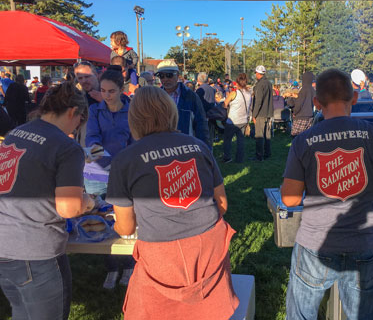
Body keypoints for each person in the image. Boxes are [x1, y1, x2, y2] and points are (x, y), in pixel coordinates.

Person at [281, 69, 373, 320]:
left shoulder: (304, 141)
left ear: (316, 102)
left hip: (315, 246)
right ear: (354, 98)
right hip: (362, 245)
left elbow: (289, 200)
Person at [105, 86, 239, 320]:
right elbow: (222, 205)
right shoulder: (199, 147)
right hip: (210, 251)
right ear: (171, 112)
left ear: (134, 118)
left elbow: (125, 228)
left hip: (161, 259)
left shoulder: (125, 160)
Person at [0, 82, 94, 320]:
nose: (77, 127)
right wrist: (90, 202)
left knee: (21, 312)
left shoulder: (16, 133)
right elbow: (69, 207)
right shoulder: (66, 147)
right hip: (36, 251)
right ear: (73, 112)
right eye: (80, 120)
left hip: (5, 245)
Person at [85, 69, 135, 289]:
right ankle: (112, 266)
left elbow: (137, 140)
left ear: (121, 89)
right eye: (103, 90)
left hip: (126, 170)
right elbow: (92, 139)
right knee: (104, 219)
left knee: (128, 217)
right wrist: (107, 164)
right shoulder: (95, 110)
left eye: (111, 91)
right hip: (99, 171)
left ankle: (130, 264)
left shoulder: (133, 109)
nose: (106, 95)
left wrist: (124, 166)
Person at [155, 61, 209, 146]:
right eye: (161, 76)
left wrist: (204, 149)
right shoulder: (155, 97)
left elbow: (201, 125)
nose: (165, 79)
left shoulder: (191, 96)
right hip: (162, 146)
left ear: (177, 75)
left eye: (169, 75)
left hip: (185, 146)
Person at [223, 73, 252, 163]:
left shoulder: (233, 93)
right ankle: (239, 159)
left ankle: (227, 157)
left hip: (232, 121)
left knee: (227, 139)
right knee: (241, 140)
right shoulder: (249, 94)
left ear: (237, 83)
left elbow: (225, 104)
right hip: (243, 120)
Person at [252, 65, 274, 161]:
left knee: (259, 135)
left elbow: (258, 101)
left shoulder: (259, 84)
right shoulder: (269, 83)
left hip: (261, 113)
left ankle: (259, 156)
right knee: (267, 135)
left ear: (257, 73)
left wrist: (254, 115)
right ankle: (267, 153)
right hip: (268, 112)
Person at [285, 71, 315, 137]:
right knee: (307, 138)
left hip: (301, 117)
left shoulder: (303, 90)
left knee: (296, 137)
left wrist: (294, 112)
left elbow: (299, 104)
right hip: (310, 116)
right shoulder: (313, 90)